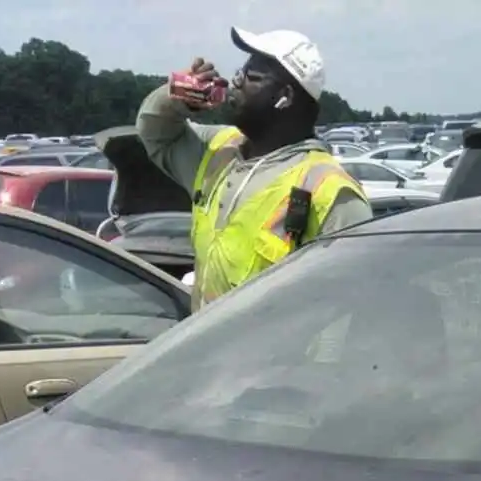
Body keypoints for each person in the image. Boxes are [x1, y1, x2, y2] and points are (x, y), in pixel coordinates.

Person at [138, 27, 371, 307]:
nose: (235, 83)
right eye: (240, 72)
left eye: (252, 77)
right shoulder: (219, 150)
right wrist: (177, 94)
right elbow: (155, 130)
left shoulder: (330, 192)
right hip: (204, 349)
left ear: (284, 96)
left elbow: (344, 310)